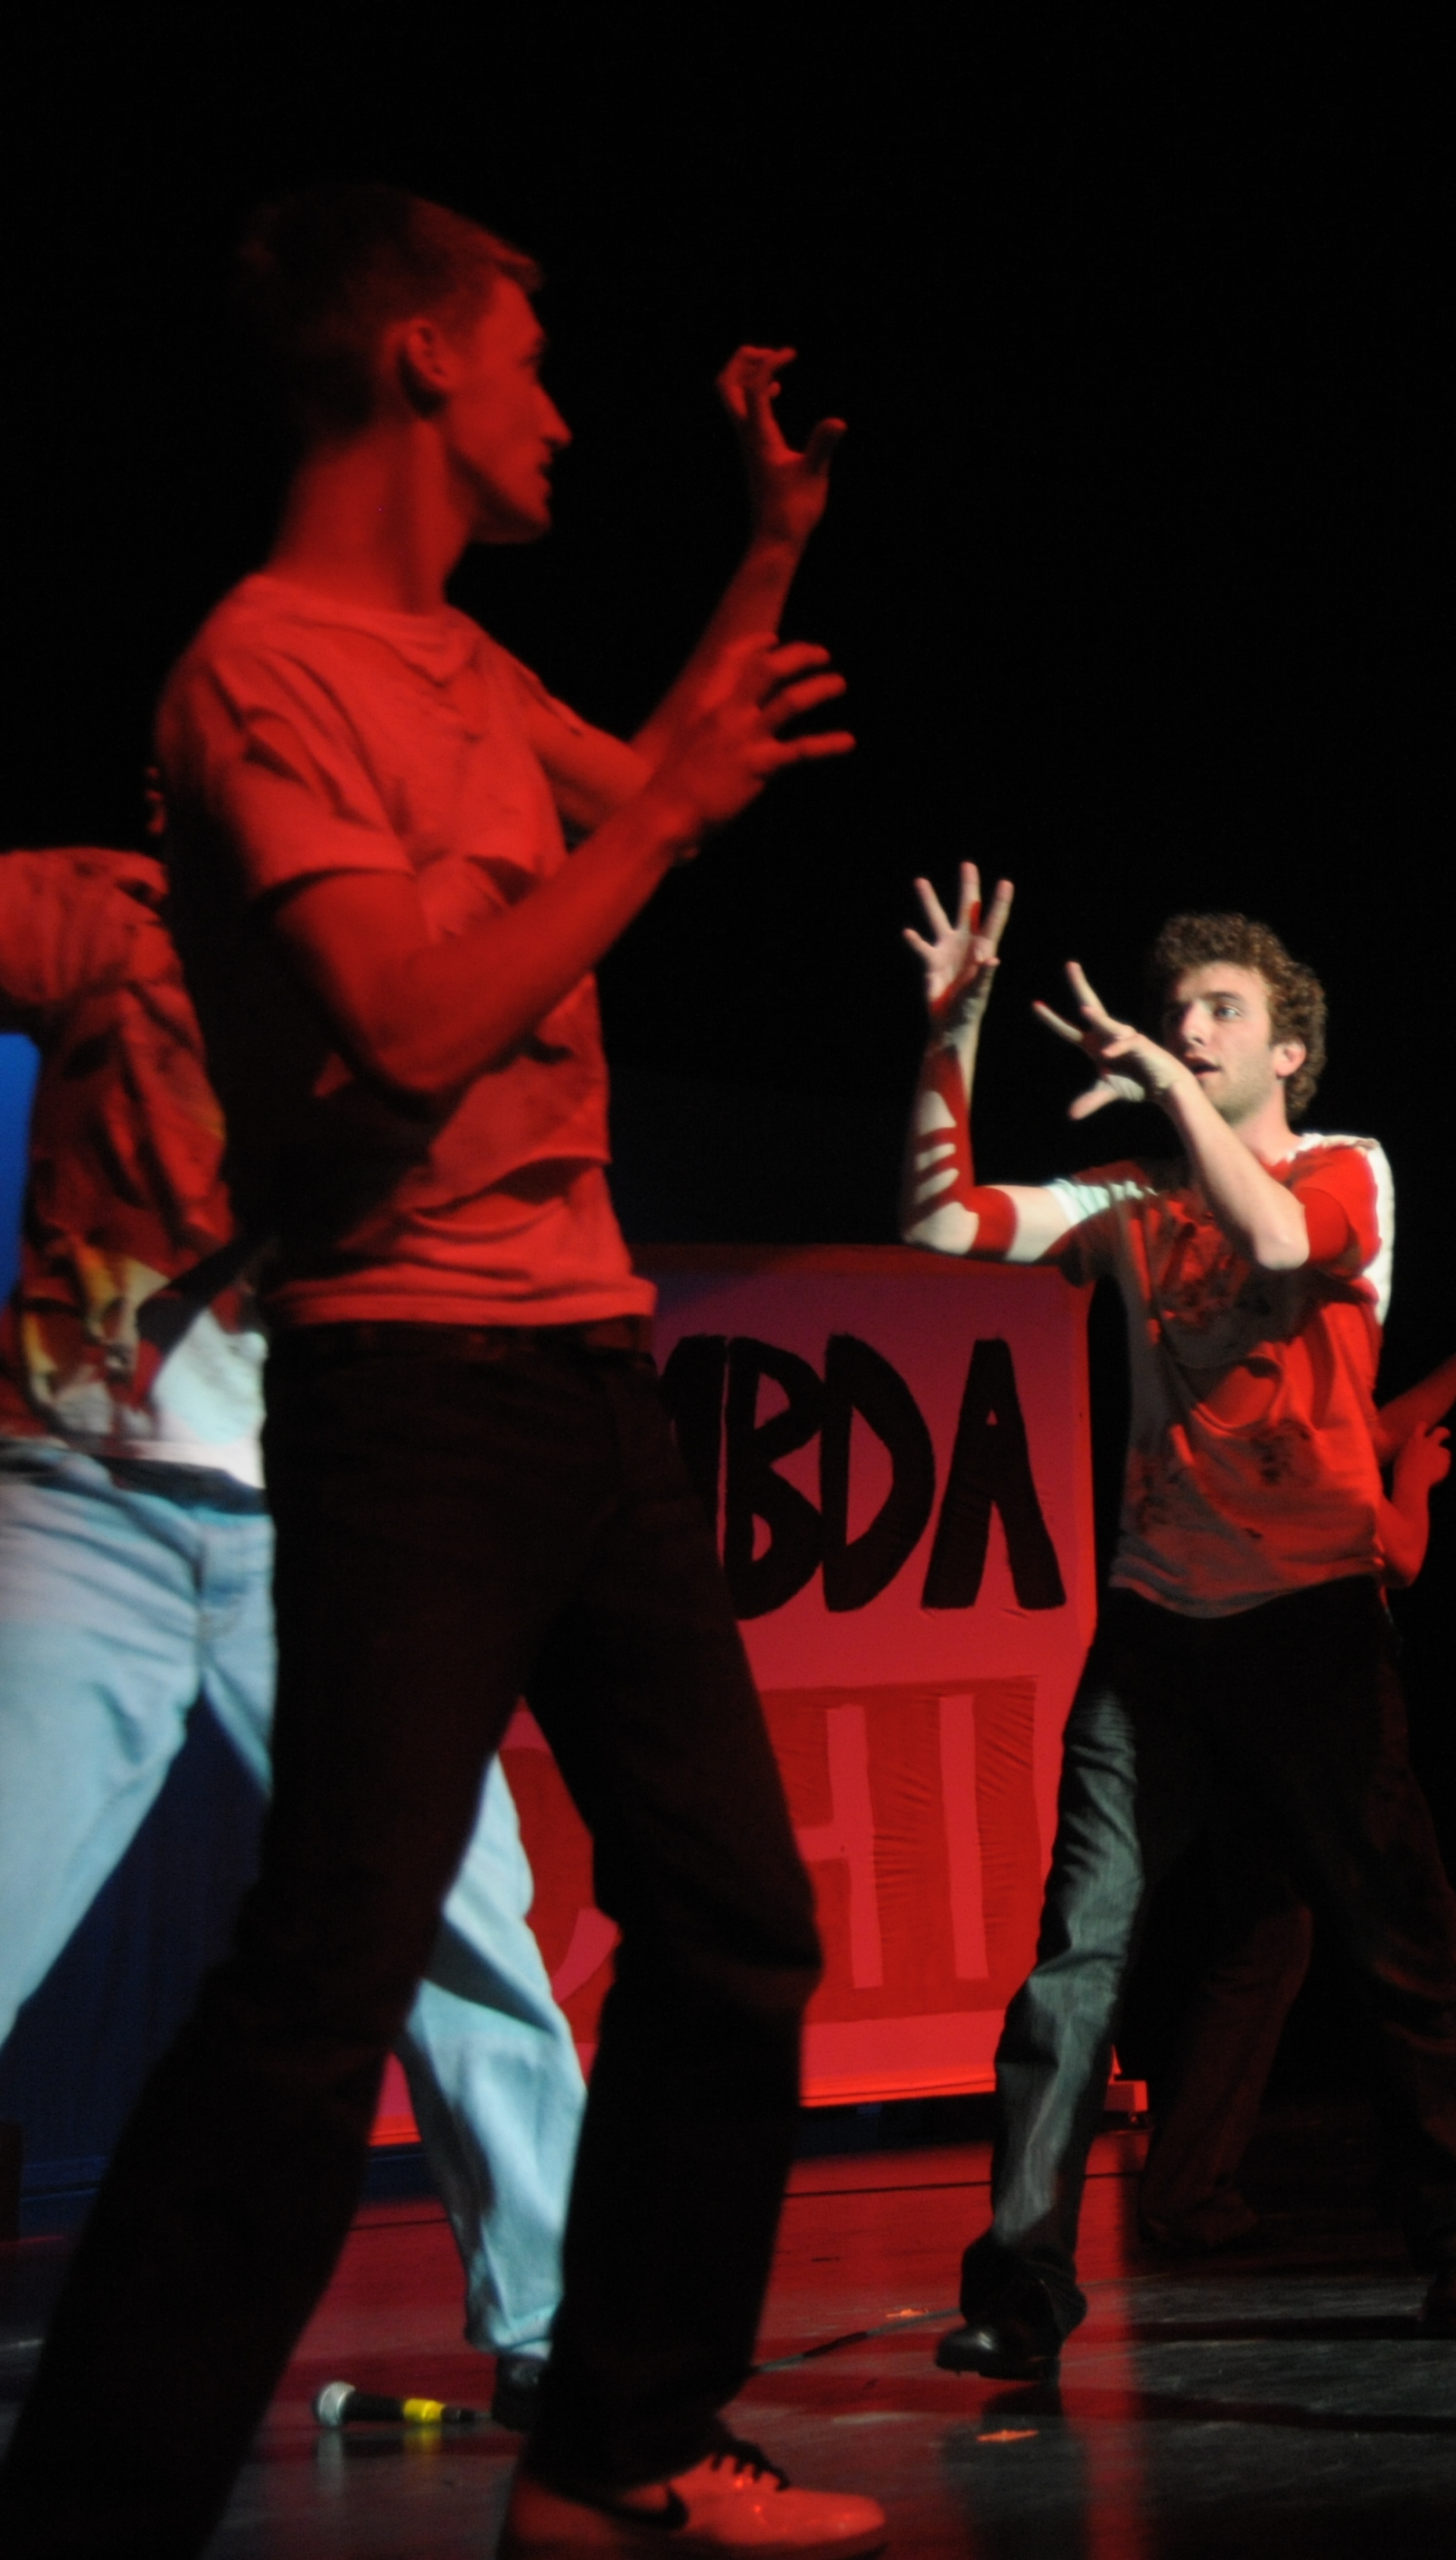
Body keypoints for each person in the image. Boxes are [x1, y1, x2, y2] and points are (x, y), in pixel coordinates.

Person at [0, 188, 882, 2559]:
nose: (559, 412)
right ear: (415, 362)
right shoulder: (258, 672)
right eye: (527, 360)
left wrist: (768, 548)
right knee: (328, 1982)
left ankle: (611, 2451)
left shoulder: (466, 666)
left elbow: (665, 784)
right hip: (400, 1388)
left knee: (731, 1919)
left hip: (581, 1358)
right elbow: (403, 1027)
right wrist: (663, 816)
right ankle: (95, 2507)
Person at [893, 868, 1456, 2376]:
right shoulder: (1127, 1203)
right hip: (1157, 1625)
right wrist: (954, 1033)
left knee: (1392, 1934)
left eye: (1222, 1011)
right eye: (1179, 1011)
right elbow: (938, 1224)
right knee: (1077, 1953)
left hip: (1313, 1616)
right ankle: (1019, 2284)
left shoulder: (1351, 1166)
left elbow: (1286, 1244)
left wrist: (1168, 1089)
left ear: (1288, 1050)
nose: (1189, 1027)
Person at [0, 833, 588, 2433]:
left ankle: (557, 2321)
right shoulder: (104, 914)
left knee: (463, 1915)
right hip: (87, 1495)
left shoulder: (414, 955)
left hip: (320, 1517)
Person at [1123, 1258, 1456, 2255]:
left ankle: (1188, 2189)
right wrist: (1417, 1485)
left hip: (1244, 1697)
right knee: (1397, 1933)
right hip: (1322, 1708)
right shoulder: (1296, 1440)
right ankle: (1432, 2189)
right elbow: (1401, 1552)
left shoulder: (1267, 1407)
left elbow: (1383, 1424)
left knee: (1268, 1940)